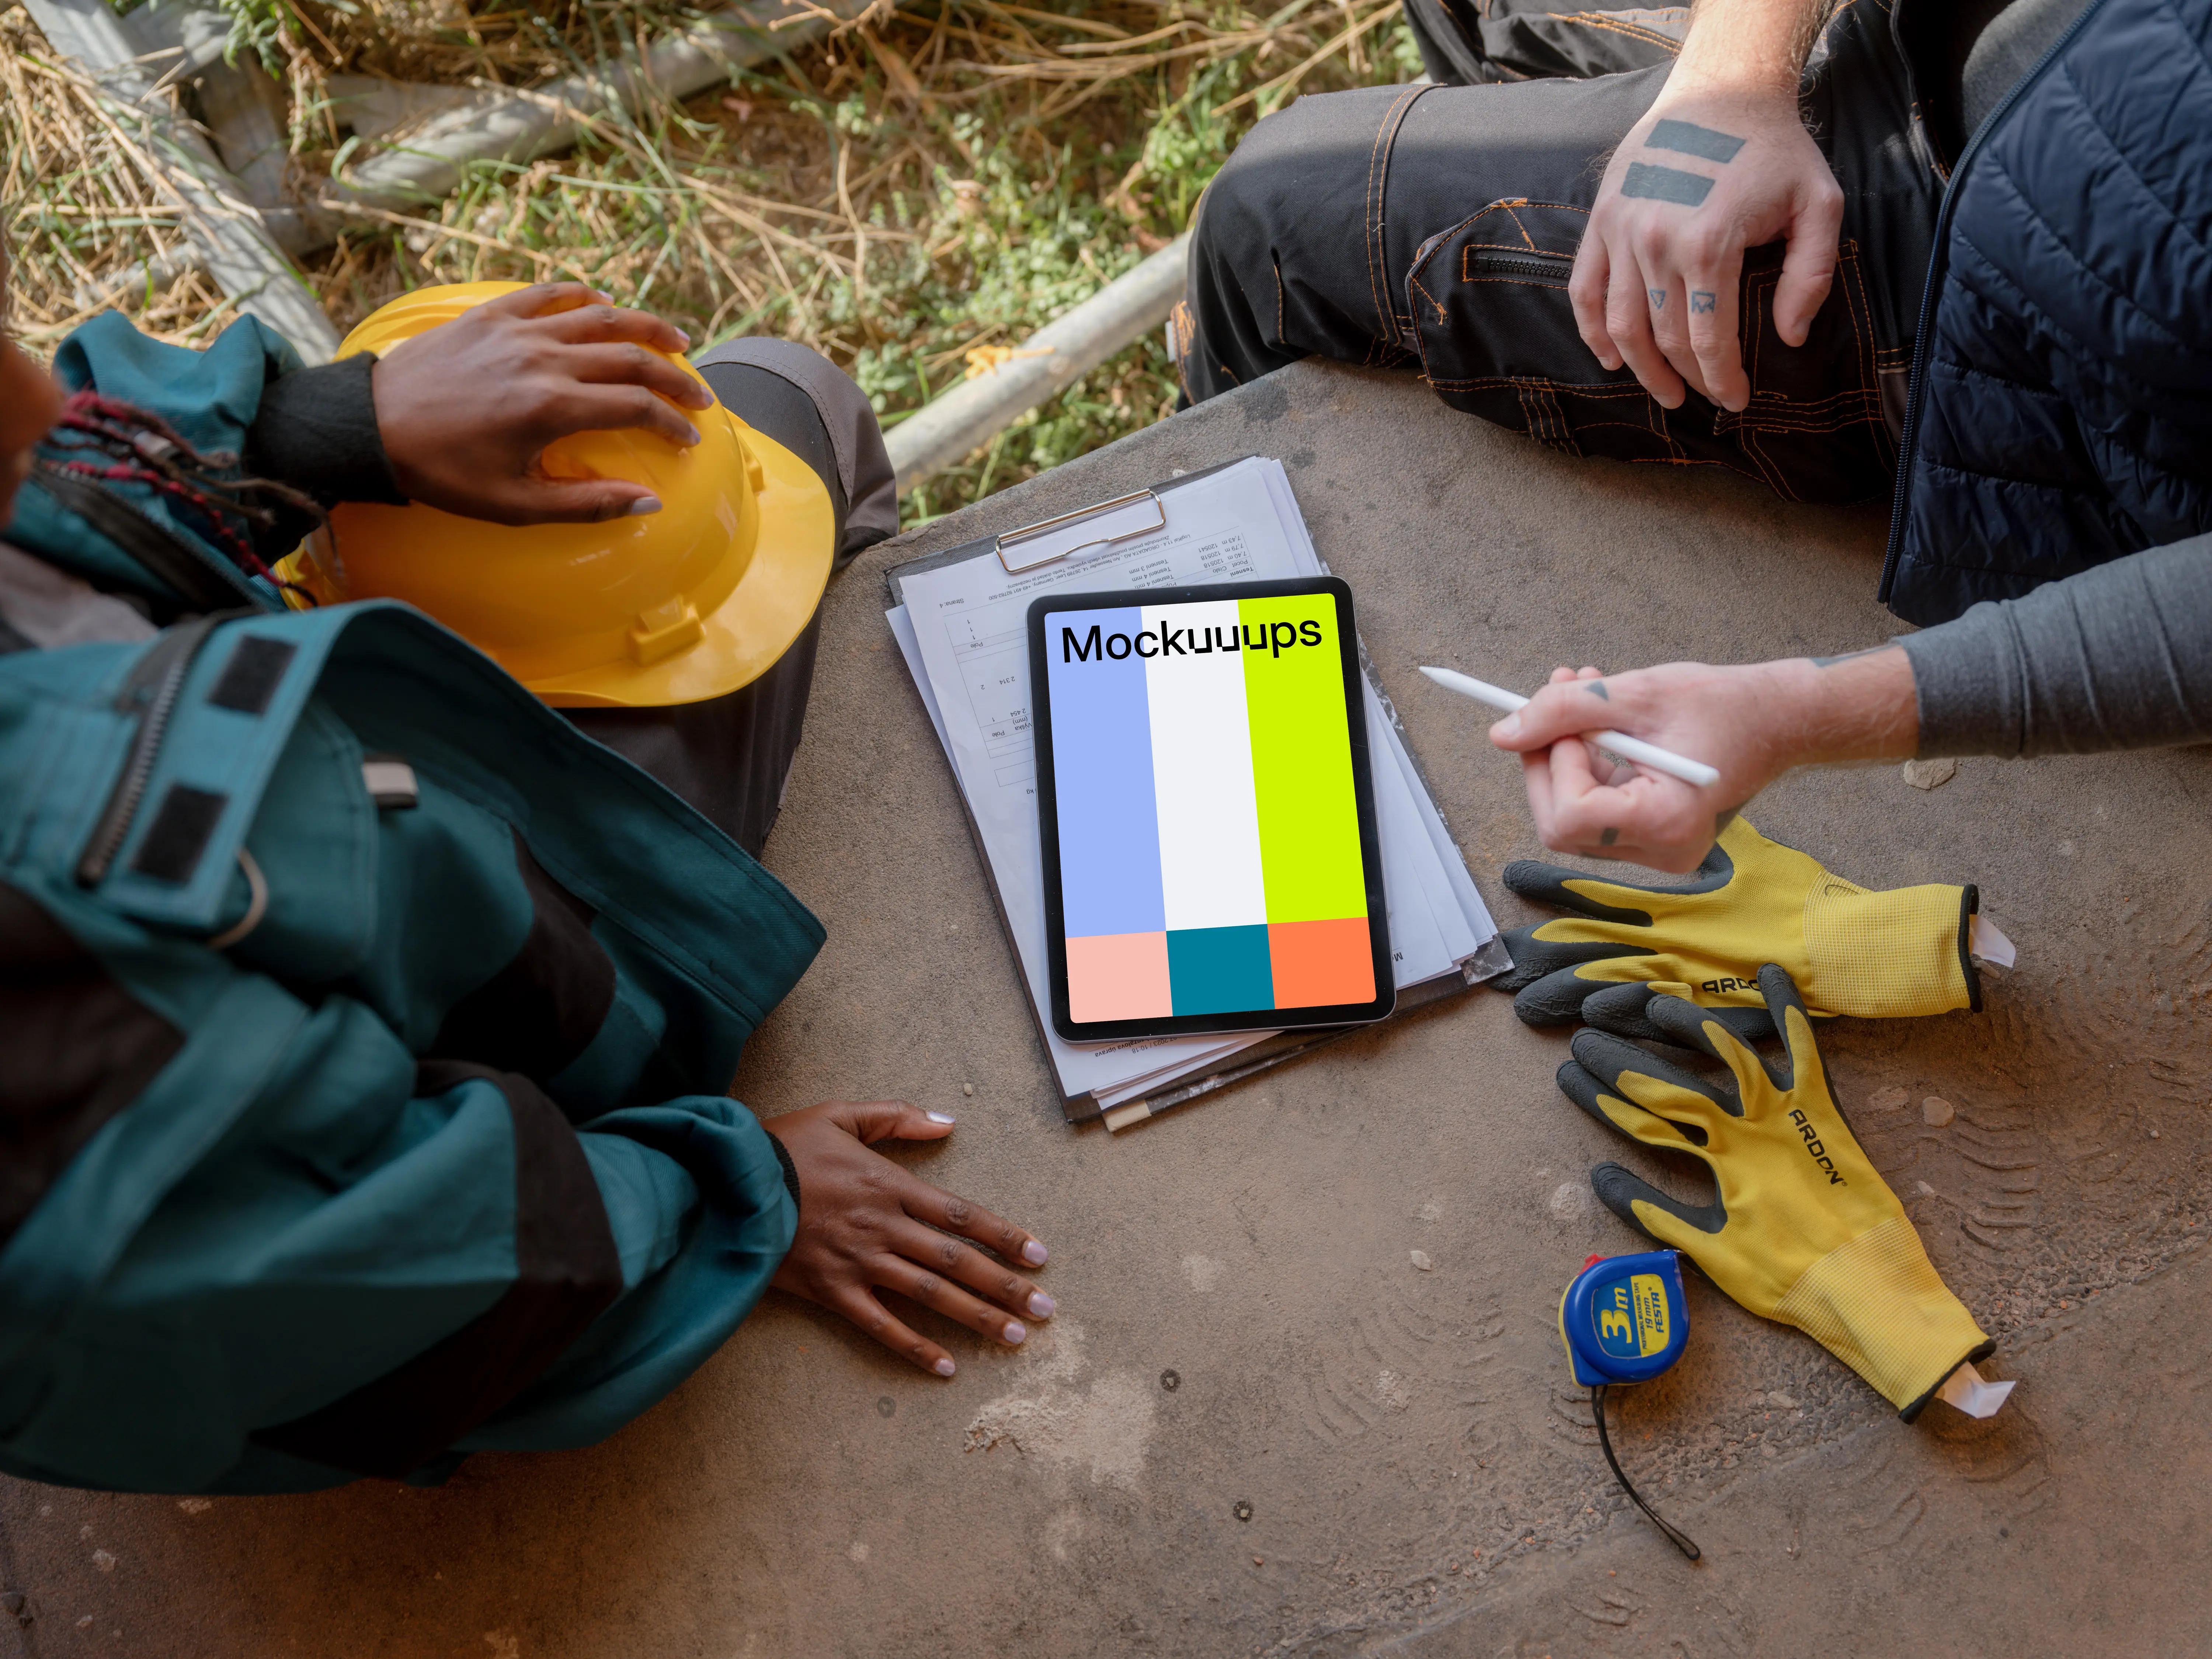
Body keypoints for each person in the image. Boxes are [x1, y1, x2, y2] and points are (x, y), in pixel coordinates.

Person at [0, 272, 1054, 1495]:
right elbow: (376, 1279)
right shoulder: (53, 1053)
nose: (34, 387)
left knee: (766, 397)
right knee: (792, 398)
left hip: (391, 810)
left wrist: (333, 428)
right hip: (540, 1016)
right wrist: (737, 1193)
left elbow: (78, 453)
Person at [1176, 0, 2209, 873]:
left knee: (1258, 227)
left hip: (1993, 287)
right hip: (2013, 54)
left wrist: (1799, 713)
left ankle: (1233, 830)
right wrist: (1732, 75)